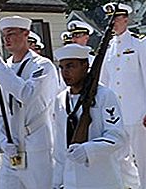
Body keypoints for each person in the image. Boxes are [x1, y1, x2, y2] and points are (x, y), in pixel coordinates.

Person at [0, 16, 58, 189]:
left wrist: (0, 69)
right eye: (4, 35)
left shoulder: (42, 66)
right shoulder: (4, 67)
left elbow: (27, 95)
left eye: (11, 34)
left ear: (26, 34)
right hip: (11, 148)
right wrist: (3, 141)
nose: (6, 39)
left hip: (36, 145)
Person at [100, 2, 146, 189]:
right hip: (115, 115)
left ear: (126, 19)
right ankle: (132, 184)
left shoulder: (139, 43)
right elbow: (105, 83)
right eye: (109, 19)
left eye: (116, 18)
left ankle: (145, 185)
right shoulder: (109, 47)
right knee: (119, 156)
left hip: (137, 111)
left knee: (141, 156)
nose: (112, 23)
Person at [52, 43, 127, 189]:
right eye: (62, 67)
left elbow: (117, 137)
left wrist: (89, 149)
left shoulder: (104, 95)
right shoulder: (60, 99)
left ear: (85, 66)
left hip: (101, 178)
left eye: (70, 66)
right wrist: (57, 181)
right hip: (71, 179)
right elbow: (60, 148)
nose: (65, 72)